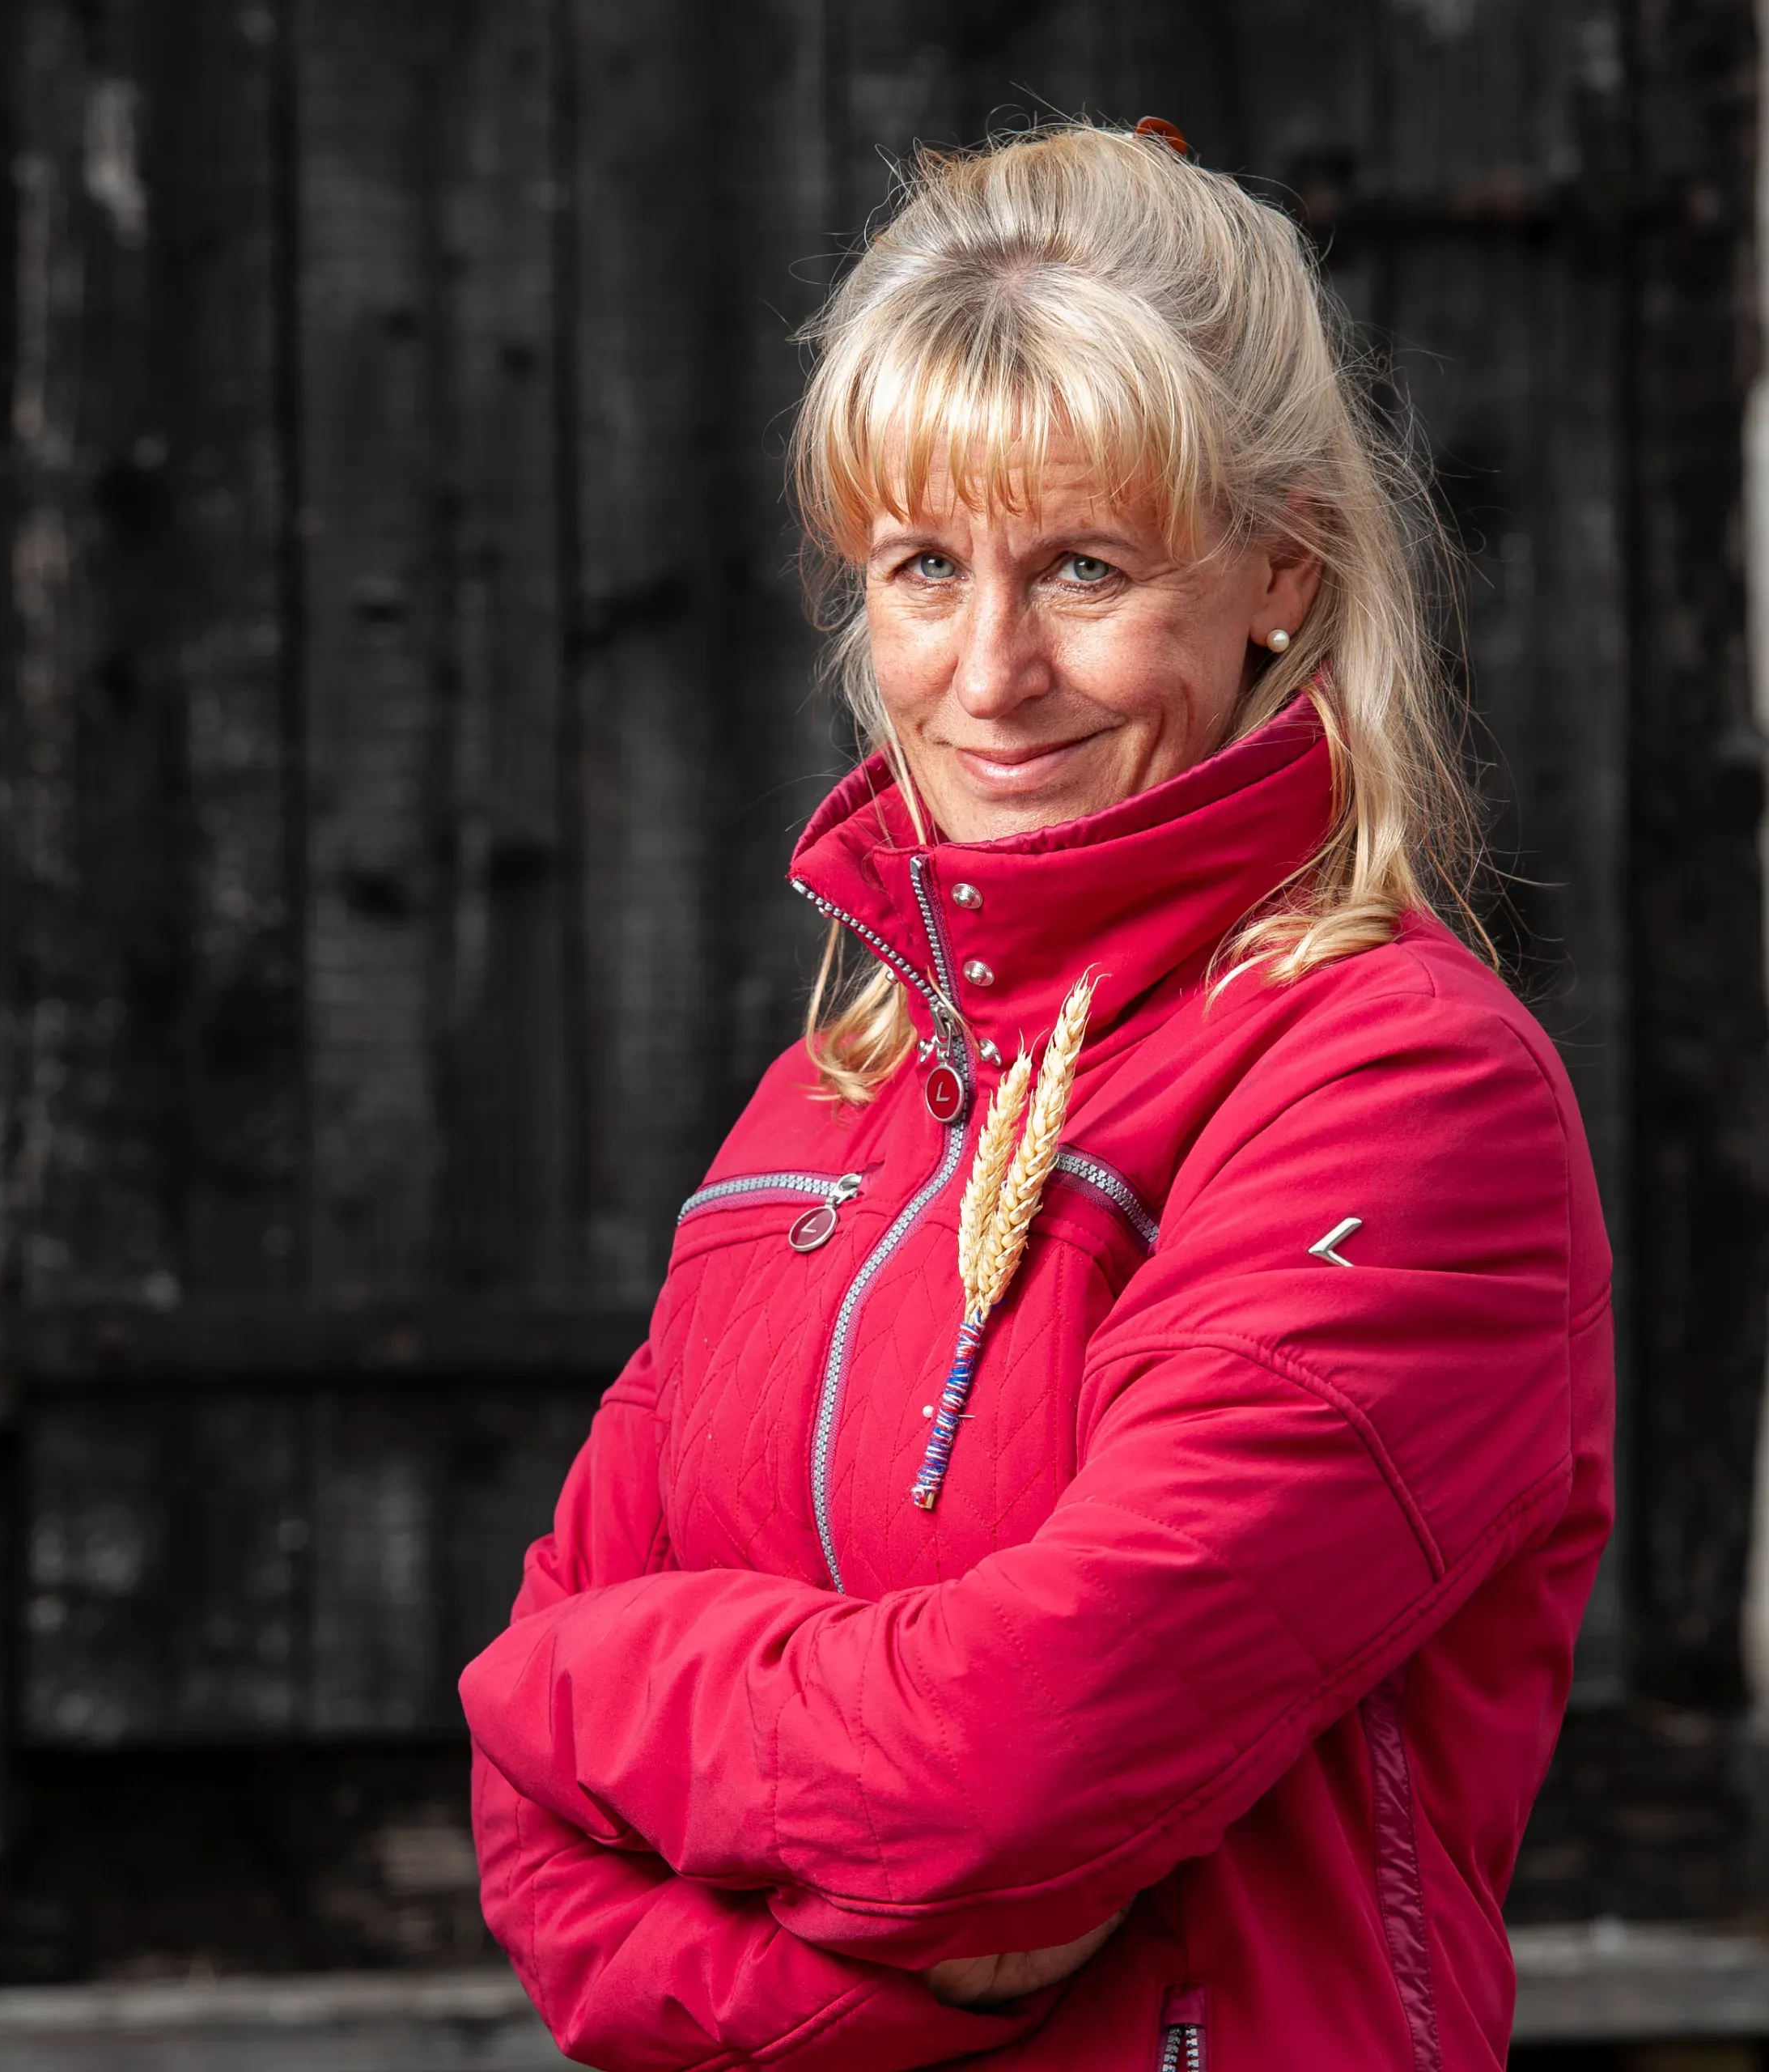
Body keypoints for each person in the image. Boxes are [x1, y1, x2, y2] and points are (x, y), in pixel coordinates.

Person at [460, 120, 1612, 2071]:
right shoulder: (830, 1097)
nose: (986, 673)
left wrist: (625, 1701)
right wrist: (853, 1965)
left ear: (1276, 572)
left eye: (1082, 566)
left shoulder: (1396, 1092)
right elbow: (517, 1777)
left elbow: (1005, 1770)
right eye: (923, 566)